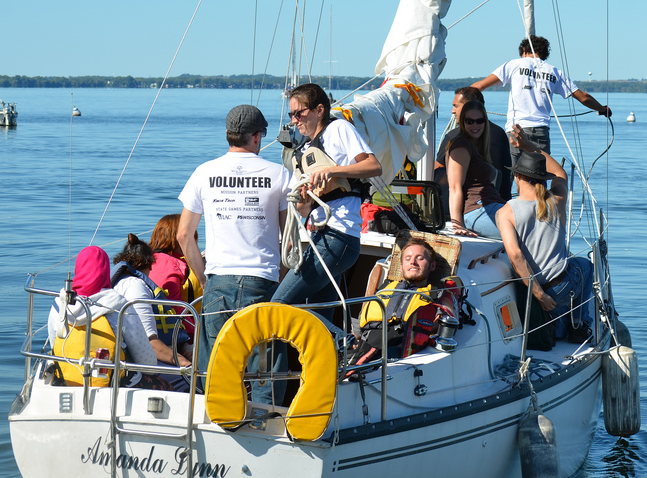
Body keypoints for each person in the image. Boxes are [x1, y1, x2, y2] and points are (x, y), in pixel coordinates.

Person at [176, 104, 292, 395]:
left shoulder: (204, 173)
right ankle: (263, 422)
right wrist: (279, 276)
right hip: (263, 281)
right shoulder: (278, 174)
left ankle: (214, 421)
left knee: (216, 364)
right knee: (265, 365)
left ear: (228, 135)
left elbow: (183, 235)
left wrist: (205, 280)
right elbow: (288, 239)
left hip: (219, 281)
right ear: (256, 137)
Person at [271, 83, 382, 312]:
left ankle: (345, 340)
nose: (294, 120)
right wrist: (305, 198)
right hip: (319, 237)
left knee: (278, 304)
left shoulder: (338, 129)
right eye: (291, 115)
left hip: (338, 236)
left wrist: (332, 171)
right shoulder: (303, 152)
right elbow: (302, 211)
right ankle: (343, 342)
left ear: (319, 110)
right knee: (320, 309)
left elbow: (373, 166)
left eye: (299, 113)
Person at [496, 128, 594, 344]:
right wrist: (529, 146)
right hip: (560, 286)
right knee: (585, 266)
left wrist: (539, 294)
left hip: (534, 290)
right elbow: (561, 174)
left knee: (579, 268)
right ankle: (578, 325)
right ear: (542, 179)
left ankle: (557, 321)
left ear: (517, 175)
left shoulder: (505, 212)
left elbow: (516, 256)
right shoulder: (555, 201)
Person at [471, 35, 612, 165]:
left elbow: (478, 87)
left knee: (511, 177)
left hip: (515, 130)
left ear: (524, 50)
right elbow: (583, 97)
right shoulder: (555, 72)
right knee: (538, 178)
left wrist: (461, 105)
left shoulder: (514, 65)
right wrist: (602, 109)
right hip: (540, 132)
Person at [47, 245, 171, 390]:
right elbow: (146, 361)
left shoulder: (60, 304)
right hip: (117, 385)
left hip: (66, 382)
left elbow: (54, 344)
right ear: (106, 271)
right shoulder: (119, 306)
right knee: (169, 387)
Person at [354, 237, 460, 361]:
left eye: (420, 258)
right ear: (402, 266)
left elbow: (441, 328)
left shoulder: (437, 295)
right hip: (364, 346)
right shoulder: (385, 288)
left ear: (432, 266)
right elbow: (360, 322)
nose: (413, 262)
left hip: (397, 353)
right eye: (407, 259)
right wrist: (353, 340)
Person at [111, 234, 194, 379]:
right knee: (198, 381)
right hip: (140, 366)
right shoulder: (135, 287)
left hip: (129, 356)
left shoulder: (120, 282)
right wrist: (187, 365)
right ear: (149, 264)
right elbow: (151, 343)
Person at [435, 86, 512, 201]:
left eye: (456, 106)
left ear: (469, 107)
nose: (452, 111)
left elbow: (438, 172)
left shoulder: (455, 137)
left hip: (473, 203)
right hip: (502, 199)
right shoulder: (500, 133)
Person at [444, 99, 506, 238]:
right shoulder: (461, 146)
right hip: (476, 211)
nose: (475, 125)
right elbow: (454, 187)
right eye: (469, 121)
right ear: (462, 122)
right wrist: (457, 225)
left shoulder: (478, 146)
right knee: (526, 230)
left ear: (485, 121)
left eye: (479, 120)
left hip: (492, 205)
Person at [148, 213, 203, 336]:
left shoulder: (146, 261)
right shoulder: (170, 265)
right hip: (180, 332)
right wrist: (195, 333)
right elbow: (175, 305)